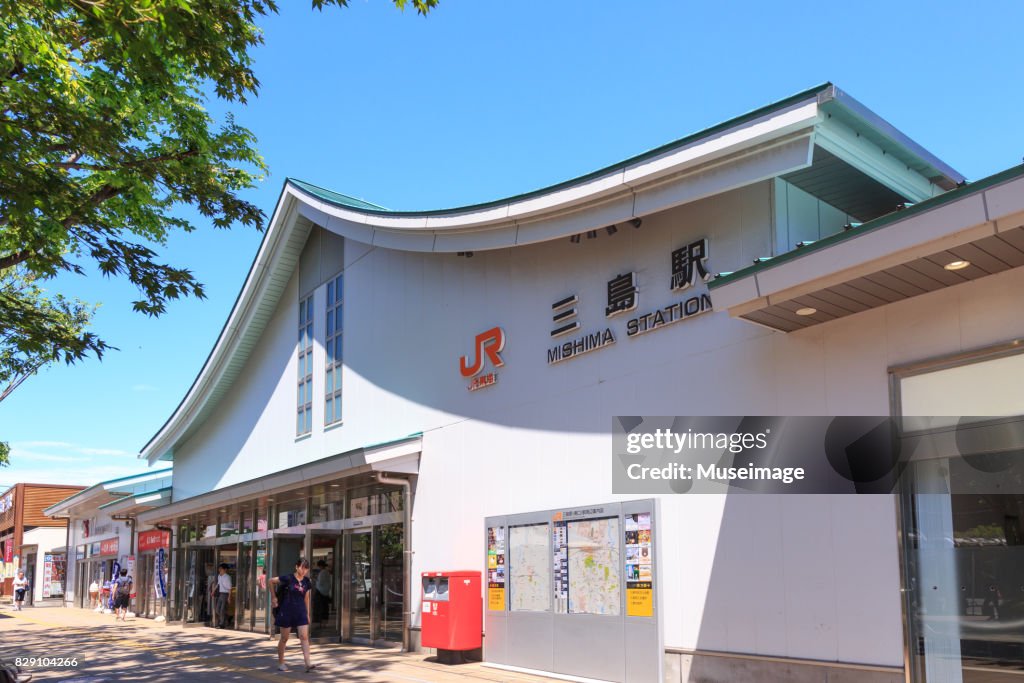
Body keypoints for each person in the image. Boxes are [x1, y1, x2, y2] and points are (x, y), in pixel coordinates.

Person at [270, 558, 316, 673]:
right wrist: (274, 597)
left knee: (304, 637)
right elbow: (270, 581)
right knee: (284, 638)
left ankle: (308, 663)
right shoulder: (289, 578)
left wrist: (308, 613)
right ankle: (281, 662)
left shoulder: (306, 581)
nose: (304, 570)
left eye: (306, 568)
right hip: (287, 611)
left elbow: (306, 598)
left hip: (300, 611)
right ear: (296, 567)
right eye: (302, 567)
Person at [314, 560, 332, 625]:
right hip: (326, 592)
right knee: (325, 607)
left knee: (320, 607)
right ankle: (325, 622)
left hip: (320, 591)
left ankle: (320, 621)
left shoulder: (322, 573)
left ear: (320, 566)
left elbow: (320, 582)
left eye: (318, 566)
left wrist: (316, 580)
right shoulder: (327, 572)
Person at [215, 563, 232, 628]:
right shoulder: (219, 576)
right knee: (217, 609)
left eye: (221, 569)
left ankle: (222, 624)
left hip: (225, 594)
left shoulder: (227, 577)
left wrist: (229, 597)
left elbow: (230, 588)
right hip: (220, 593)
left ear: (225, 569)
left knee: (222, 609)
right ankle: (227, 618)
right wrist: (213, 590)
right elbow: (218, 584)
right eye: (219, 568)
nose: (219, 570)